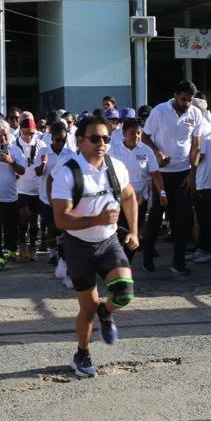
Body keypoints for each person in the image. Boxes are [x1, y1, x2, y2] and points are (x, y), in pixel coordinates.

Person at [51, 115, 141, 378]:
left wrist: (134, 231)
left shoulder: (116, 167)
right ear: (80, 141)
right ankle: (82, 353)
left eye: (105, 139)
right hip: (78, 246)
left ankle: (106, 309)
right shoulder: (67, 172)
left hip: (109, 240)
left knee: (124, 293)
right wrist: (97, 219)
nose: (101, 143)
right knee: (86, 309)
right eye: (94, 138)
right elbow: (60, 218)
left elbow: (129, 197)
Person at [141, 79, 203, 275]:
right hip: (162, 175)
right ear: (175, 95)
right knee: (157, 216)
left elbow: (196, 145)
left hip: (184, 173)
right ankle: (147, 256)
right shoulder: (159, 111)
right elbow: (145, 137)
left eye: (190, 100)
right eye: (184, 99)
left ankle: (178, 262)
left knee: (183, 218)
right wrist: (157, 152)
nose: (187, 104)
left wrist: (193, 172)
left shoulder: (195, 113)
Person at [114, 118, 159, 264]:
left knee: (133, 234)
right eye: (132, 133)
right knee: (119, 232)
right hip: (118, 200)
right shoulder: (113, 151)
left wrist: (162, 192)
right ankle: (116, 261)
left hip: (140, 200)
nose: (136, 136)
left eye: (139, 133)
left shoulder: (146, 151)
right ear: (124, 133)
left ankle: (125, 264)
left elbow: (155, 173)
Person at [40, 120, 75, 286]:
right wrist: (43, 163)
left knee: (64, 229)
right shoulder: (43, 151)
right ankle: (53, 253)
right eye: (57, 140)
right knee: (51, 227)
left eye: (63, 140)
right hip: (47, 197)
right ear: (51, 138)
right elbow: (43, 175)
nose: (60, 143)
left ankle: (63, 258)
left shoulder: (70, 154)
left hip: (65, 197)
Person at [189, 98, 211, 264]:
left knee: (208, 217)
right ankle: (202, 248)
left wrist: (188, 162)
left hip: (205, 179)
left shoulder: (203, 126)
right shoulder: (208, 123)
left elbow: (199, 154)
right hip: (206, 178)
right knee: (202, 217)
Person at [13, 114, 49, 260]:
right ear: (20, 131)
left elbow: (43, 168)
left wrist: (44, 164)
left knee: (34, 221)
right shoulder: (14, 144)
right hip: (20, 188)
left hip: (36, 188)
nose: (29, 136)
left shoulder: (41, 145)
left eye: (32, 134)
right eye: (26, 133)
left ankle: (32, 247)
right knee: (23, 216)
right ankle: (22, 245)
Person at [0, 122, 22, 269]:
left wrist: (11, 162)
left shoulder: (15, 149)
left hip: (11, 196)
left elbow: (22, 170)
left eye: (4, 135)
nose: (2, 138)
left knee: (11, 227)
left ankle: (11, 252)